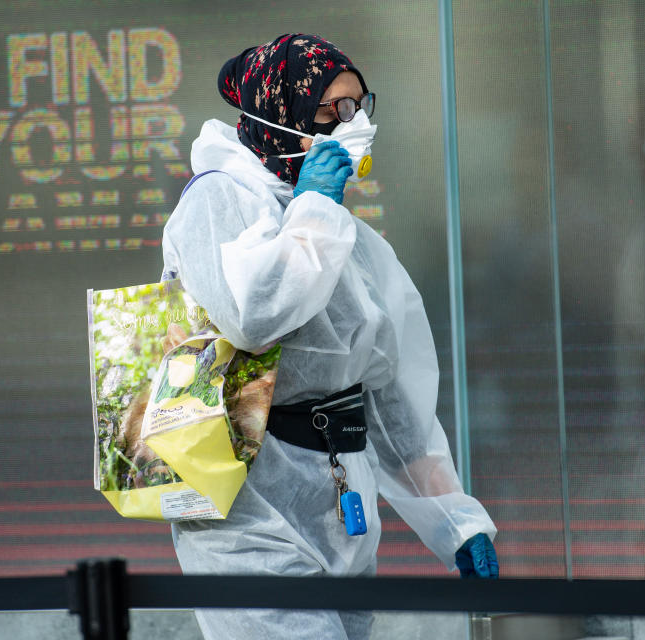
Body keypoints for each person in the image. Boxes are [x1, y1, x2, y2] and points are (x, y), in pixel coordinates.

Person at [160, 34, 498, 640]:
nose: (354, 123)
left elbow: (394, 404)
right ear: (277, 113)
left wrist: (456, 521)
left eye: (360, 105)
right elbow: (253, 315)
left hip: (343, 510)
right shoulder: (216, 200)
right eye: (330, 111)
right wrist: (314, 205)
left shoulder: (349, 237)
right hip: (248, 519)